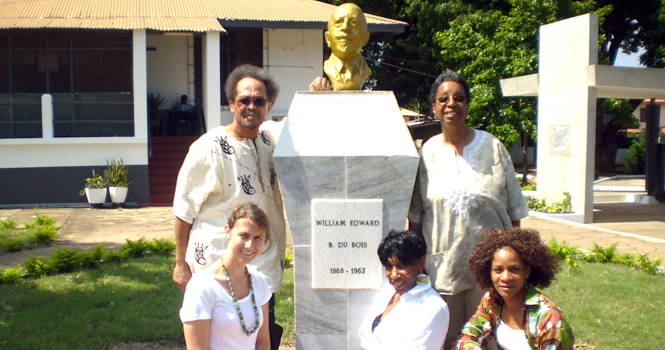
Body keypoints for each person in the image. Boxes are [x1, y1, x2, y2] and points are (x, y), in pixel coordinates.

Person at [408, 69, 529, 350]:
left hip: (490, 271)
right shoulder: (426, 154)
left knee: (489, 339)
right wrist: (415, 266)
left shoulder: (493, 147)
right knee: (445, 339)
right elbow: (415, 217)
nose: (452, 104)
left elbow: (514, 211)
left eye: (459, 98)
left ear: (468, 105)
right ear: (435, 107)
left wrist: (515, 265)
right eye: (444, 99)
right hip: (443, 269)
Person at [173, 64, 286, 349]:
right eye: (244, 100)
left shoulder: (269, 140)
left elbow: (294, 122)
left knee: (259, 335)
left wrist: (315, 95)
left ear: (268, 105)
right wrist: (179, 264)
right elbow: (183, 209)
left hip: (261, 264)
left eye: (259, 101)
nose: (251, 106)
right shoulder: (208, 147)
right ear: (231, 104)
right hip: (216, 263)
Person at [453, 227, 574, 350]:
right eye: (498, 270)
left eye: (514, 269)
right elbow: (465, 339)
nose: (505, 277)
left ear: (526, 271)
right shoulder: (493, 301)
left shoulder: (548, 317)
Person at [180, 203, 272, 350]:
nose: (249, 245)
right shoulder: (201, 287)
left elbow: (263, 342)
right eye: (244, 235)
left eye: (258, 238)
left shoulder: (258, 281)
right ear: (227, 231)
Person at [359, 230, 449, 350]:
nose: (394, 275)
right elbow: (367, 342)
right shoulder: (387, 292)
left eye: (401, 266)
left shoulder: (433, 308)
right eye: (389, 267)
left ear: (421, 262)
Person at [323, 3, 371, 90]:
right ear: (328, 38)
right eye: (338, 23)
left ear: (365, 38)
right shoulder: (327, 68)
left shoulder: (365, 71)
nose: (345, 28)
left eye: (354, 23)